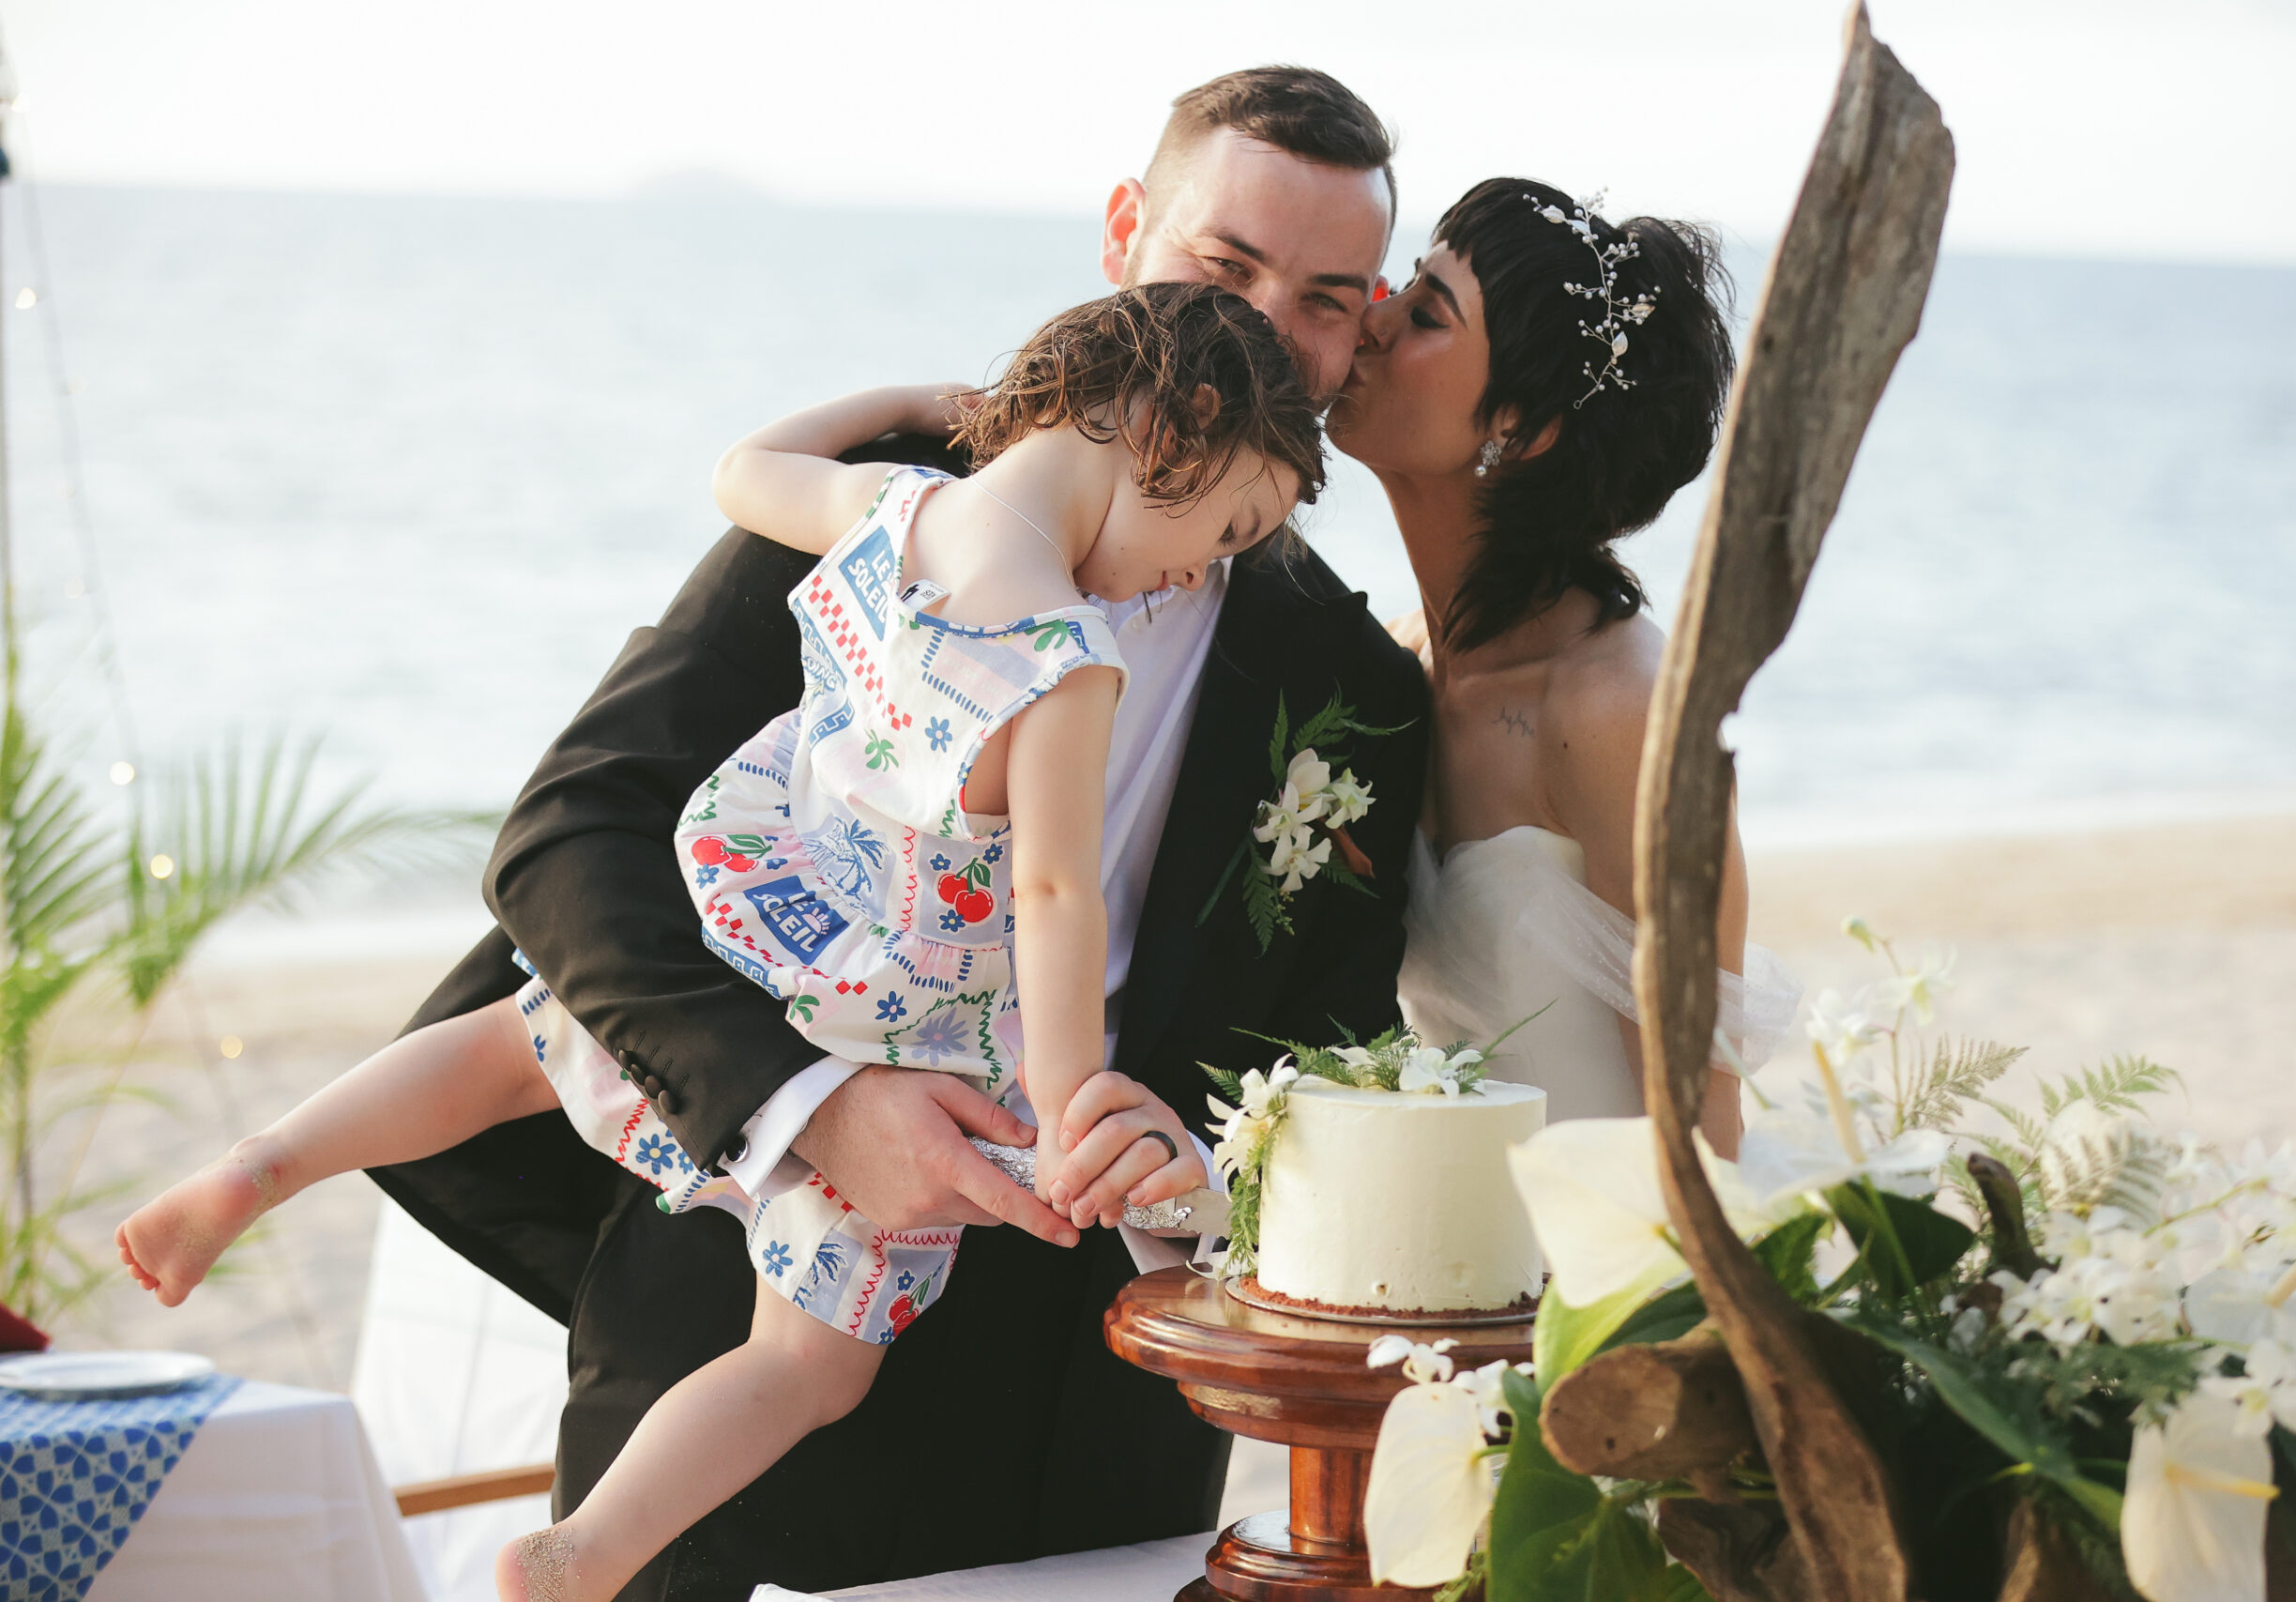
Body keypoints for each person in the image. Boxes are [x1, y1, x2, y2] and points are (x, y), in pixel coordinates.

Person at [365, 67, 1422, 1600]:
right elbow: (567, 842)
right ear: (1127, 233)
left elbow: (1335, 1064)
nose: (1268, 325)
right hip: (743, 1378)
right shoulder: (923, 519)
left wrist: (1204, 1182)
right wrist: (811, 1106)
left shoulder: (1355, 689)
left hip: (1095, 1444)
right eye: (1224, 264)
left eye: (1325, 297)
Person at [118, 284, 1316, 1600]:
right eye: (1228, 527)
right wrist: (1067, 1094)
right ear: (1174, 423)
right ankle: (585, 1549)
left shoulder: (893, 509)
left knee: (521, 1043)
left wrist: (903, 409)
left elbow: (742, 469)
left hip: (770, 909)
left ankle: (258, 1162)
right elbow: (1050, 895)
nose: (1202, 570)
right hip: (899, 1004)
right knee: (807, 1362)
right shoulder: (1067, 650)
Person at [1335, 180, 1797, 1154]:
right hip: (1442, 1252)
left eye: (1424, 314)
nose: (1369, 322)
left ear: (1523, 428)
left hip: (1601, 1272)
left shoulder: (1616, 708)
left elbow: (1700, 1122)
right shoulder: (1399, 661)